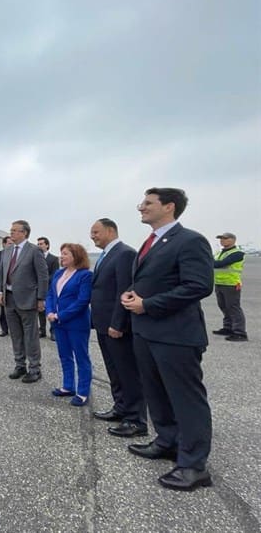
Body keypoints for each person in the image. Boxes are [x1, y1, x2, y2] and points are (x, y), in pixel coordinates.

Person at [121, 187, 214, 491]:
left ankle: (193, 464)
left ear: (169, 207)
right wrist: (135, 295)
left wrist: (148, 304)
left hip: (175, 334)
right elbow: (154, 280)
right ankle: (168, 440)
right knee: (156, 392)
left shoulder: (190, 240)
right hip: (147, 331)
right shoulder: (151, 241)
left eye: (148, 203)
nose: (141, 208)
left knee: (186, 399)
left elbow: (198, 286)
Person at [89, 218, 147, 436]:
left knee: (128, 372)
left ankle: (136, 420)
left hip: (116, 326)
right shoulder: (106, 256)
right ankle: (121, 408)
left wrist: (118, 323)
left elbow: (123, 290)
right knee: (114, 370)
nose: (92, 236)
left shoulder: (124, 253)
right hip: (104, 325)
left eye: (96, 232)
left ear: (111, 230)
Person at [0, 220, 49, 383]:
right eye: (11, 230)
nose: (11, 233)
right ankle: (20, 365)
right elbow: (1, 273)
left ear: (24, 233)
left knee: (30, 336)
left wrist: (41, 298)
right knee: (16, 334)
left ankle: (34, 368)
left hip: (28, 299)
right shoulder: (7, 250)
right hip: (9, 298)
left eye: (14, 230)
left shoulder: (34, 250)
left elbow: (43, 276)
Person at [45, 243, 92, 406]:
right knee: (64, 355)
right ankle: (68, 386)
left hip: (76, 323)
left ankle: (83, 392)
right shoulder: (59, 273)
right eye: (61, 253)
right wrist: (49, 312)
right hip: (58, 322)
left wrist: (60, 315)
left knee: (81, 357)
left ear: (76, 256)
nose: (61, 257)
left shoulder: (85, 275)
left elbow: (83, 301)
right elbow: (51, 294)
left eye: (65, 254)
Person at [212, 232, 248, 342]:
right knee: (223, 306)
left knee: (233, 308)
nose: (222, 240)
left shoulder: (237, 253)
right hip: (219, 283)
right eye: (221, 238)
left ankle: (240, 332)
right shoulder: (219, 253)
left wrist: (208, 260)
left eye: (225, 238)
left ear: (233, 240)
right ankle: (228, 328)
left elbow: (220, 264)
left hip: (231, 284)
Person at [36, 236, 60, 340]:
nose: (39, 245)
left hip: (49, 289)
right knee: (40, 310)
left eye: (41, 243)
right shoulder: (35, 257)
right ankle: (42, 330)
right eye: (38, 244)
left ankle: (53, 331)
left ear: (47, 245)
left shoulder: (53, 259)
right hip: (38, 288)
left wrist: (43, 280)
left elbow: (54, 274)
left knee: (51, 309)